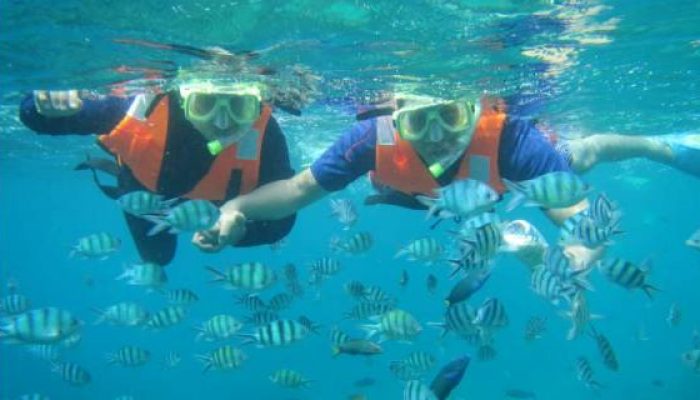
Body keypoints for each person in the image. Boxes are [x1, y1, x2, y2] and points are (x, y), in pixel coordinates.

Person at [194, 91, 699, 266]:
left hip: (499, 182)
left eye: (451, 118)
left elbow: (579, 216)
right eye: (419, 121)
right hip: (418, 194)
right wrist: (235, 209)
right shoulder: (370, 138)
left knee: (580, 154)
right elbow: (299, 189)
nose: (436, 135)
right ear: (397, 118)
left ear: (473, 111)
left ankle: (657, 147)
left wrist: (579, 252)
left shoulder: (512, 139)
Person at [19, 80, 297, 266]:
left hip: (215, 210)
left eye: (238, 107)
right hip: (143, 192)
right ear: (182, 96)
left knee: (159, 259)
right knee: (158, 259)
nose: (221, 122)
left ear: (256, 105)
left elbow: (283, 215)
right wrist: (41, 104)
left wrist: (239, 234)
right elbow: (38, 117)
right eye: (205, 105)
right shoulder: (144, 105)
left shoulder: (265, 135)